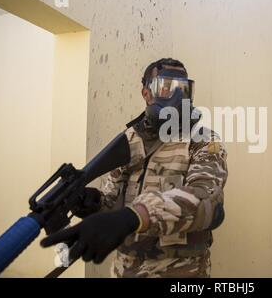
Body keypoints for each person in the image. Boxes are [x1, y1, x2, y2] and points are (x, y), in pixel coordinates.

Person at [42, 58, 228, 278]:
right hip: (125, 269)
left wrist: (136, 216)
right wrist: (92, 203)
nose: (177, 96)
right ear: (146, 92)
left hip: (179, 271)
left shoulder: (204, 140)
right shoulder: (129, 140)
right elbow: (112, 203)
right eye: (166, 87)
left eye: (183, 88)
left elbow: (207, 202)